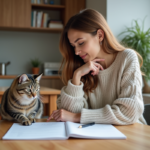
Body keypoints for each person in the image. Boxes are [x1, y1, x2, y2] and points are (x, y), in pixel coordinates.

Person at [47, 9, 147, 125]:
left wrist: (76, 117)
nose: (76, 52)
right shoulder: (82, 67)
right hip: (97, 137)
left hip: (130, 135)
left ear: (100, 35)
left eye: (80, 43)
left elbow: (129, 112)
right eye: (73, 46)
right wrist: (77, 76)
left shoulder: (127, 58)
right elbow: (68, 114)